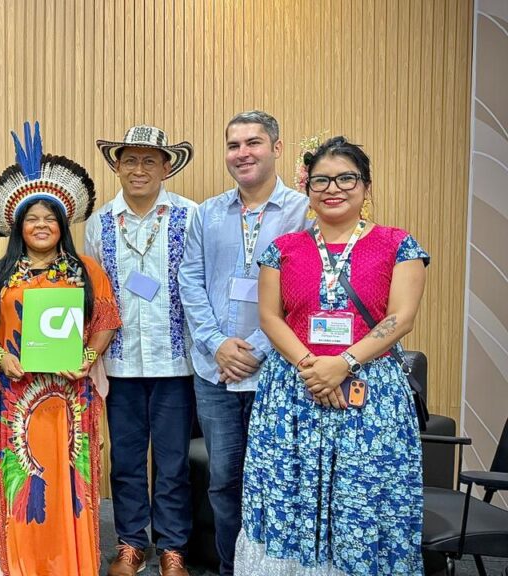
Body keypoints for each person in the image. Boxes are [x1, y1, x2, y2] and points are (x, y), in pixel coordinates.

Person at [234, 136, 428, 575]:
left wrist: (342, 364)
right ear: (307, 188)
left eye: (346, 178)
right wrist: (312, 368)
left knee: (363, 498)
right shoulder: (282, 249)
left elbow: (401, 318)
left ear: (366, 186)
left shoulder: (398, 245)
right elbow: (270, 317)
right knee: (290, 496)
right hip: (293, 394)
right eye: (321, 180)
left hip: (368, 395)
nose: (333, 188)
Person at [0, 122, 121, 576]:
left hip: (70, 400)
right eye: (32, 218)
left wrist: (88, 359)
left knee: (69, 485)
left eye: (49, 218)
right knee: (23, 486)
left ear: (63, 224)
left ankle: (71, 564)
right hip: (15, 400)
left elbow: (106, 322)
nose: (41, 225)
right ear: (18, 226)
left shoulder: (87, 271)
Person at [177, 110, 310, 576]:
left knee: (278, 479)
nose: (242, 153)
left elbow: (305, 294)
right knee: (223, 482)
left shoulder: (303, 212)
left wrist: (256, 348)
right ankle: (231, 568)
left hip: (276, 371)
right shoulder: (207, 213)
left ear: (276, 148)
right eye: (234, 145)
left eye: (253, 143)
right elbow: (189, 280)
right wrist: (217, 344)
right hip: (215, 372)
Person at [85, 125, 198, 576]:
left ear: (166, 167)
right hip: (120, 362)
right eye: (130, 160)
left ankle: (172, 546)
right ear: (117, 166)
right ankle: (131, 542)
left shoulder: (190, 216)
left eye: (150, 160)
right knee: (126, 459)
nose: (139, 169)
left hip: (176, 362)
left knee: (172, 462)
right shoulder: (98, 224)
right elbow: (94, 296)